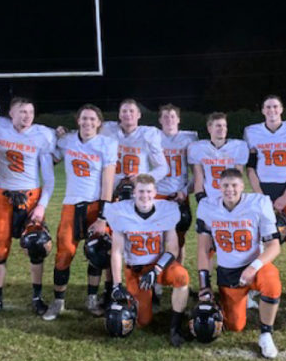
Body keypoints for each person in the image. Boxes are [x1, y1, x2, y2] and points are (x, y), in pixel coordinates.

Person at [196, 168, 282, 359]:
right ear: (219, 187)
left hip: (255, 266)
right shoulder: (208, 206)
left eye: (234, 185)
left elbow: (274, 246)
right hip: (228, 272)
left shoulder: (259, 203)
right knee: (235, 326)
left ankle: (266, 334)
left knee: (271, 282)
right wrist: (204, 285)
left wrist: (253, 267)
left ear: (242, 186)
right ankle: (240, 299)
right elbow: (203, 249)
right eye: (225, 185)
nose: (230, 189)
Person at [0, 97, 56, 317]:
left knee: (37, 247)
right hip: (4, 197)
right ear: (11, 114)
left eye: (30, 112)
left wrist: (41, 206)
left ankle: (37, 298)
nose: (27, 116)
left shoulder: (42, 135)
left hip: (30, 198)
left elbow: (49, 179)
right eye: (22, 111)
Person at [43, 104, 117, 320]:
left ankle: (92, 299)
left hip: (96, 205)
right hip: (72, 204)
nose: (88, 122)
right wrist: (57, 135)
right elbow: (53, 158)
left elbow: (108, 181)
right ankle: (58, 301)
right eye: (84, 118)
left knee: (98, 252)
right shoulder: (67, 141)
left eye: (92, 119)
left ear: (99, 123)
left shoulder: (106, 144)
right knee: (64, 252)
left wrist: (103, 216)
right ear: (78, 121)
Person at [104, 174, 190, 346]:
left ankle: (175, 327)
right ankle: (147, 300)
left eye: (149, 191)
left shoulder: (166, 209)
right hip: (135, 269)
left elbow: (173, 249)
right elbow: (117, 252)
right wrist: (116, 284)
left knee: (182, 276)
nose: (145, 196)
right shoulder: (120, 211)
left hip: (159, 265)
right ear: (134, 193)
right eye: (141, 191)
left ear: (155, 192)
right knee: (143, 321)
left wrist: (156, 270)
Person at [244, 95, 286, 304]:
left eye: (275, 106)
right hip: (262, 192)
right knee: (258, 242)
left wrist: (285, 196)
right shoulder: (252, 132)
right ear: (263, 110)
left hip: (285, 193)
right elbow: (251, 168)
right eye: (268, 107)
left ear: (282, 109)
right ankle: (255, 283)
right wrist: (262, 197)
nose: (272, 110)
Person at [157, 103, 198, 263]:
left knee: (180, 239)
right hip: (157, 194)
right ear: (160, 120)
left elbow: (197, 172)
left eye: (172, 116)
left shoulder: (189, 138)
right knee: (157, 238)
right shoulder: (153, 136)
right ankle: (159, 275)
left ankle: (178, 272)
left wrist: (185, 191)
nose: (169, 120)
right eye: (165, 116)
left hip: (179, 194)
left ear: (179, 119)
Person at [101, 99, 168, 190]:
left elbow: (163, 168)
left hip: (139, 190)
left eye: (131, 111)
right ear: (119, 115)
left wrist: (143, 178)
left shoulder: (148, 134)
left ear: (139, 115)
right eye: (124, 111)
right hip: (111, 188)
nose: (128, 114)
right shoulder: (107, 130)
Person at [188, 112, 249, 202]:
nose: (222, 128)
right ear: (209, 128)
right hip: (209, 197)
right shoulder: (199, 148)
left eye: (224, 126)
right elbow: (198, 178)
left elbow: (238, 177)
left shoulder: (237, 147)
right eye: (218, 126)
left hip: (230, 196)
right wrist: (200, 196)